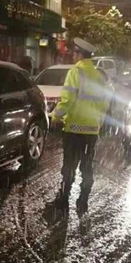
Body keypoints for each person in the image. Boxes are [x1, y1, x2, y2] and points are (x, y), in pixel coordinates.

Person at [50, 38, 110, 216]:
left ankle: (63, 200)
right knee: (87, 166)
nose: (73, 56)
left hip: (73, 129)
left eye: (74, 53)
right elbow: (104, 104)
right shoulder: (99, 75)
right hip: (91, 130)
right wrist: (97, 123)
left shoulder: (76, 72)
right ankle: (83, 200)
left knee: (69, 166)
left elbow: (67, 100)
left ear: (78, 54)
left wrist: (55, 116)